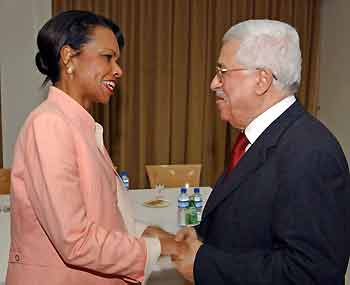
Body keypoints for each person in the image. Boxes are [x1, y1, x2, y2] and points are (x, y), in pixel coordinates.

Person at [6, 10, 178, 285]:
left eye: (117, 60)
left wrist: (156, 235)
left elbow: (105, 218)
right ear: (68, 58)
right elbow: (76, 240)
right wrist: (162, 248)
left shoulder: (78, 125)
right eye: (107, 57)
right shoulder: (49, 125)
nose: (118, 70)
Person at [173, 19, 350, 284]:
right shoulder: (259, 138)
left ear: (261, 80)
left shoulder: (310, 153)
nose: (213, 83)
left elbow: (310, 275)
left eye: (222, 71)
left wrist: (203, 263)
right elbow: (250, 224)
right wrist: (201, 236)